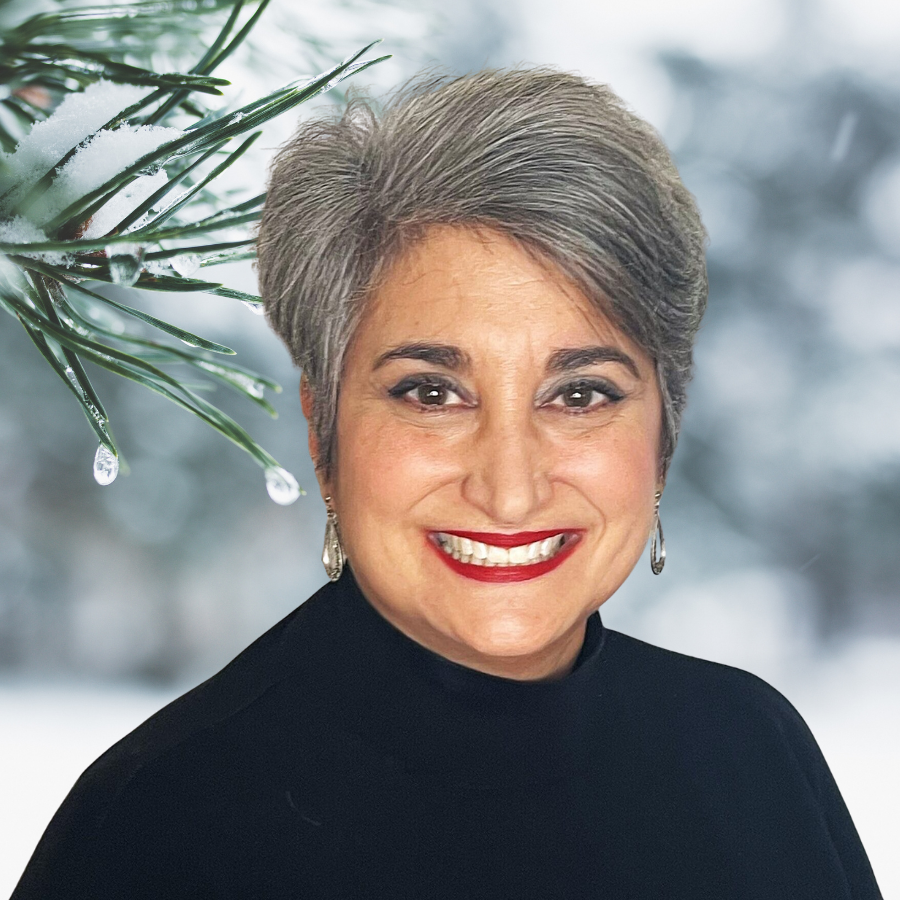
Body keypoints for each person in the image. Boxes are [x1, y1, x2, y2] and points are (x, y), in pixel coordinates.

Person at [12, 68, 882, 899]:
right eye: (430, 392)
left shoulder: (753, 753)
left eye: (580, 394)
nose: (509, 489)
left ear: (664, 432)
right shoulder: (156, 823)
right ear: (323, 432)